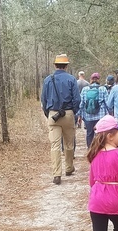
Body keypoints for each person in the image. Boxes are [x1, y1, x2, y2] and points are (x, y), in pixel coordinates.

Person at [41, 54, 80, 185]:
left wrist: (49, 113)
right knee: (69, 143)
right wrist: (73, 112)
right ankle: (69, 168)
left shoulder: (47, 80)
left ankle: (56, 174)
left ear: (55, 65)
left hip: (53, 114)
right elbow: (77, 99)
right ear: (66, 65)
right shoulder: (71, 79)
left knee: (55, 145)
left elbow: (43, 100)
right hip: (68, 113)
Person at [78, 72, 109, 147]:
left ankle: (90, 150)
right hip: (100, 116)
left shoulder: (85, 89)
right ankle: (99, 150)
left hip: (88, 116)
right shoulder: (103, 89)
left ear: (91, 80)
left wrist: (79, 115)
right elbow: (107, 103)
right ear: (98, 80)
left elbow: (81, 104)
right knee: (100, 134)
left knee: (89, 134)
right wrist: (110, 114)